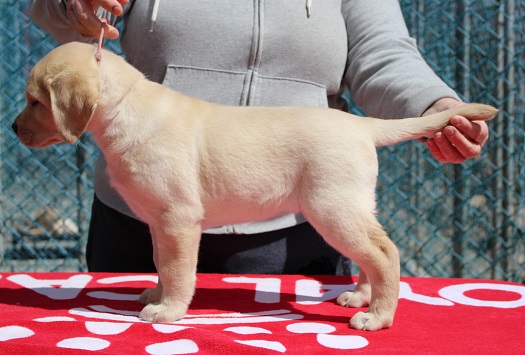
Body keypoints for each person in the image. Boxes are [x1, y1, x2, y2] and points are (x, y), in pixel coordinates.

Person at [27, 0, 489, 275]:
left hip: (294, 231)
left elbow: (382, 51)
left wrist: (432, 106)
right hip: (142, 218)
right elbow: (60, 12)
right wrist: (76, 3)